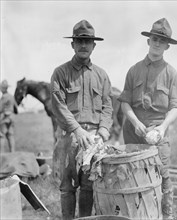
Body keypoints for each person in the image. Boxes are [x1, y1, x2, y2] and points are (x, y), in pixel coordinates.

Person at [118, 18, 177, 220]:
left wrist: (162, 128)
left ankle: (166, 216)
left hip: (158, 133)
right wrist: (135, 122)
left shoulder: (171, 74)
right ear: (148, 41)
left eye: (161, 41)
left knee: (163, 176)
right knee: (132, 176)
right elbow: (124, 102)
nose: (157, 43)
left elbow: (176, 107)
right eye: (154, 39)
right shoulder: (133, 70)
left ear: (167, 46)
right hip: (133, 132)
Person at [50, 20, 113, 220]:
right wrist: (78, 130)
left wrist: (103, 131)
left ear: (94, 46)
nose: (84, 45)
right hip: (70, 138)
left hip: (94, 140)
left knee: (89, 186)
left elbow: (108, 106)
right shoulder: (60, 73)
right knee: (67, 188)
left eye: (88, 42)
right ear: (73, 44)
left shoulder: (102, 75)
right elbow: (59, 106)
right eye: (79, 41)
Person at [0, 80, 18, 152]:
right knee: (11, 136)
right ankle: (12, 153)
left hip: (5, 118)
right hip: (12, 118)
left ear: (3, 88)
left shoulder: (3, 97)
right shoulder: (11, 96)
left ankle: (1, 154)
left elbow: (0, 109)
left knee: (1, 135)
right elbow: (16, 109)